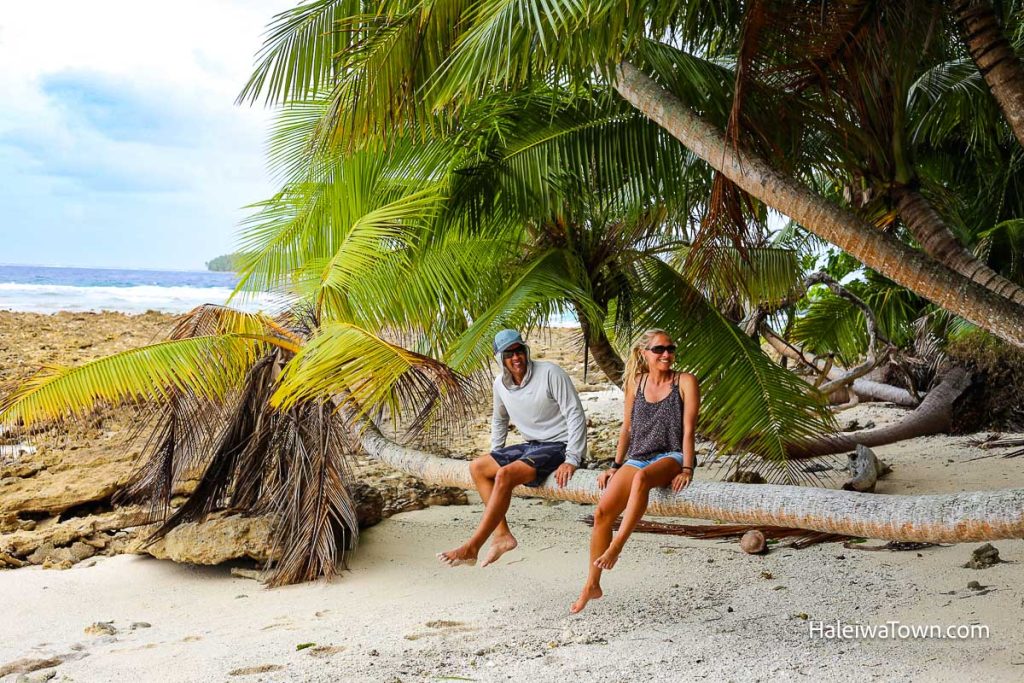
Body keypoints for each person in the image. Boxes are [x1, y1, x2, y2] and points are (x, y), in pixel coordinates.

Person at [570, 329, 699, 613]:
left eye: (670, 348)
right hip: (639, 457)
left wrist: (687, 467)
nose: (666, 354)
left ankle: (616, 547)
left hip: (672, 455)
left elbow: (689, 430)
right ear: (644, 353)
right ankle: (592, 583)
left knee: (642, 478)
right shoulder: (636, 383)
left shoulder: (685, 381)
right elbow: (626, 428)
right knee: (602, 512)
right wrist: (615, 466)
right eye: (659, 349)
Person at [438, 329, 587, 568]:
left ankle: (473, 546)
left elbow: (575, 414)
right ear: (500, 358)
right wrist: (496, 454)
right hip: (531, 445)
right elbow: (499, 420)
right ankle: (502, 535)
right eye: (509, 353)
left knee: (505, 475)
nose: (516, 357)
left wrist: (572, 458)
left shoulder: (550, 373)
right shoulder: (500, 384)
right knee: (478, 467)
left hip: (559, 445)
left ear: (525, 351)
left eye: (519, 351)